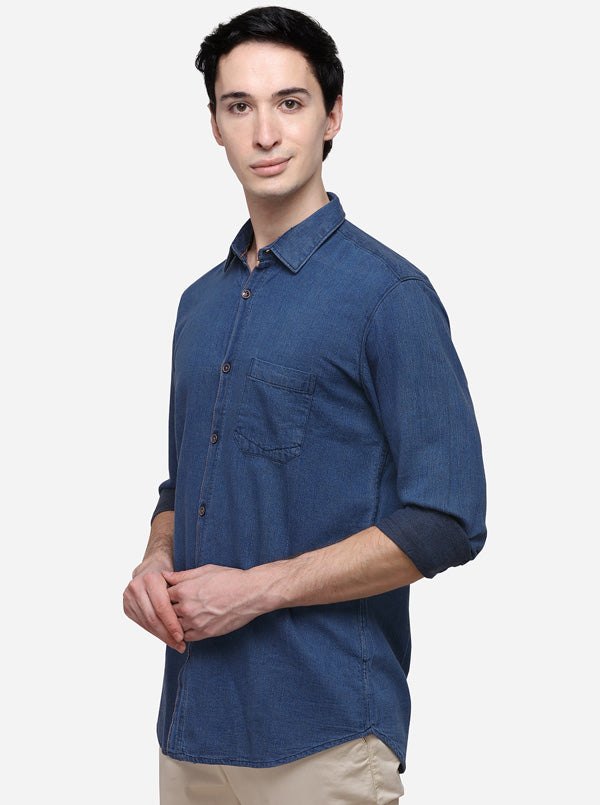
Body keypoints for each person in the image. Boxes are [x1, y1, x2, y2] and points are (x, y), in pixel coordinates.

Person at [123, 6, 487, 804]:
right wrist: (156, 557)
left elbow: (448, 517)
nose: (265, 133)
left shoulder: (390, 296)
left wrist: (260, 587)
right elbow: (186, 484)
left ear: (333, 115)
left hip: (323, 736)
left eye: (289, 102)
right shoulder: (198, 305)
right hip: (189, 733)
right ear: (214, 125)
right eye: (239, 106)